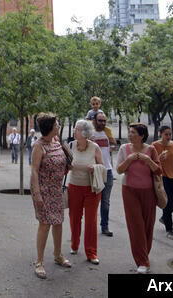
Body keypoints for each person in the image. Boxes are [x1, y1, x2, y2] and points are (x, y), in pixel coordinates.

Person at [115, 123, 161, 274]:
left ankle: (144, 255)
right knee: (136, 226)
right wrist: (128, 160)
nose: (130, 135)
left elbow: (159, 170)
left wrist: (148, 160)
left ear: (142, 135)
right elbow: (119, 170)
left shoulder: (151, 149)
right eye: (130, 132)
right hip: (129, 191)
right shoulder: (124, 149)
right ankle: (142, 262)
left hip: (149, 192)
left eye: (133, 132)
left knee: (148, 225)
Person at [30, 112, 71, 279]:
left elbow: (66, 164)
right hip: (44, 190)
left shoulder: (56, 142)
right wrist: (36, 194)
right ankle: (39, 262)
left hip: (56, 190)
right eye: (57, 124)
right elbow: (34, 170)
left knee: (58, 222)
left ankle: (58, 254)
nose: (59, 126)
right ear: (50, 127)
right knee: (45, 224)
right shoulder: (39, 146)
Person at [67, 119, 103, 264]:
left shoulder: (95, 147)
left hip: (91, 188)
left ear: (84, 132)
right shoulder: (71, 145)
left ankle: (91, 253)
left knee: (91, 221)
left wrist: (94, 167)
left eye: (76, 129)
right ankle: (74, 245)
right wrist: (68, 167)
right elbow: (66, 164)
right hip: (74, 186)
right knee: (74, 218)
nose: (74, 131)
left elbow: (103, 166)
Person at [152, 125, 173, 240]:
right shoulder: (155, 145)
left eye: (170, 134)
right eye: (166, 134)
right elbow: (152, 162)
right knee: (166, 203)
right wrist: (159, 158)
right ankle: (169, 229)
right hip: (162, 177)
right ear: (160, 134)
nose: (168, 136)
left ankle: (164, 217)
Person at [89, 111, 116, 237]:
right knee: (92, 200)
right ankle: (90, 225)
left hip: (108, 170)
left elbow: (114, 143)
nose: (103, 123)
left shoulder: (107, 132)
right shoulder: (89, 132)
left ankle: (104, 226)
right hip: (94, 170)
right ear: (94, 120)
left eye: (104, 121)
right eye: (100, 120)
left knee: (105, 201)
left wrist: (112, 147)